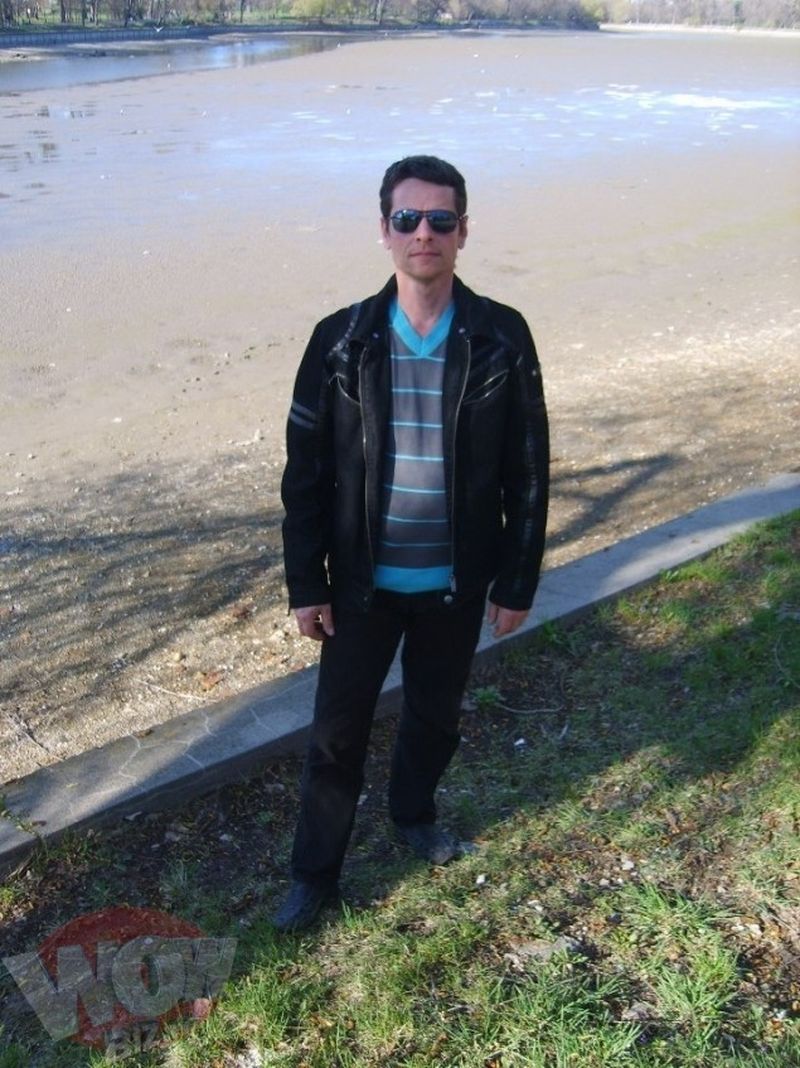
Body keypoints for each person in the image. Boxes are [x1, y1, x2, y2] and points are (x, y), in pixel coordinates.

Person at [273, 155, 549, 932]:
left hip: (456, 581)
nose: (423, 232)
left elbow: (529, 467)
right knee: (336, 736)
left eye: (439, 219)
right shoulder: (340, 340)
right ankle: (315, 875)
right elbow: (304, 473)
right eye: (407, 218)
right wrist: (306, 583)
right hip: (362, 584)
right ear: (384, 230)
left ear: (463, 231)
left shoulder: (501, 336)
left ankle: (414, 815)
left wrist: (517, 580)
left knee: (435, 716)